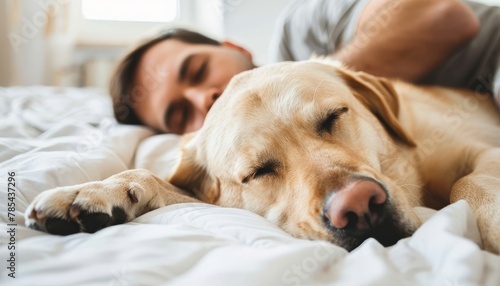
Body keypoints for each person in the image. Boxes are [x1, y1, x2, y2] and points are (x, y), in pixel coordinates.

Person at [110, 0, 500, 135]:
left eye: (196, 71)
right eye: (180, 115)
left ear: (233, 46)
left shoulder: (303, 28)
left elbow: (445, 16)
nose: (205, 98)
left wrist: (310, 87)